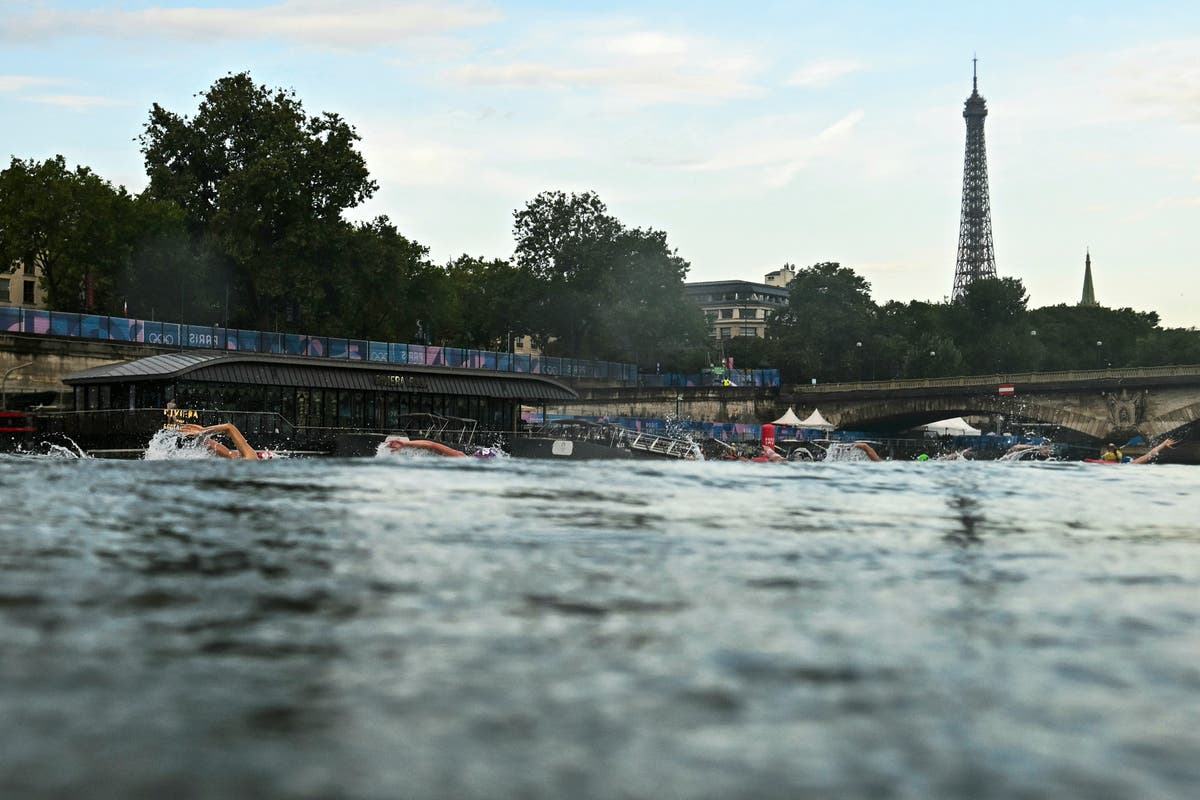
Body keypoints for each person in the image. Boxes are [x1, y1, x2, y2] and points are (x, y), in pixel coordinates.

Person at [177, 422, 277, 460]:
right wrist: (202, 432)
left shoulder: (245, 459)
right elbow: (229, 427)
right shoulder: (251, 458)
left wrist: (202, 434)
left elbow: (225, 452)